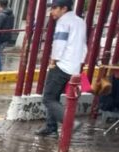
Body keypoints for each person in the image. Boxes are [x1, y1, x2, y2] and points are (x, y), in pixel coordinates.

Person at [36, 0, 87, 136]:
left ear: (64, 8)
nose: (51, 11)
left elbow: (59, 43)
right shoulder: (80, 22)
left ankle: (69, 122)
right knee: (55, 97)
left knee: (48, 98)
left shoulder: (63, 22)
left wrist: (53, 60)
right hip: (74, 66)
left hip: (62, 65)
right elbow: (84, 45)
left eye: (54, 8)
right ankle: (50, 127)